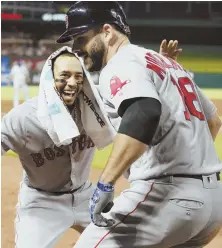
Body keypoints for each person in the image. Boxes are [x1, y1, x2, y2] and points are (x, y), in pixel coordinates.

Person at [57, 2, 222, 247]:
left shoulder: (120, 63)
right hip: (212, 203)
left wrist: (106, 182)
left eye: (81, 38)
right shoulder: (169, 64)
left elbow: (144, 112)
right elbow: (213, 121)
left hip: (167, 198)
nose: (76, 49)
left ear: (107, 32)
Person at [2, 43, 178, 248]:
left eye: (78, 77)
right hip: (42, 202)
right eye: (65, 75)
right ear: (50, 78)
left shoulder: (95, 111)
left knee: (129, 240)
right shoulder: (24, 118)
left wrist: (160, 67)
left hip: (87, 196)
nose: (72, 83)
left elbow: (137, 100)